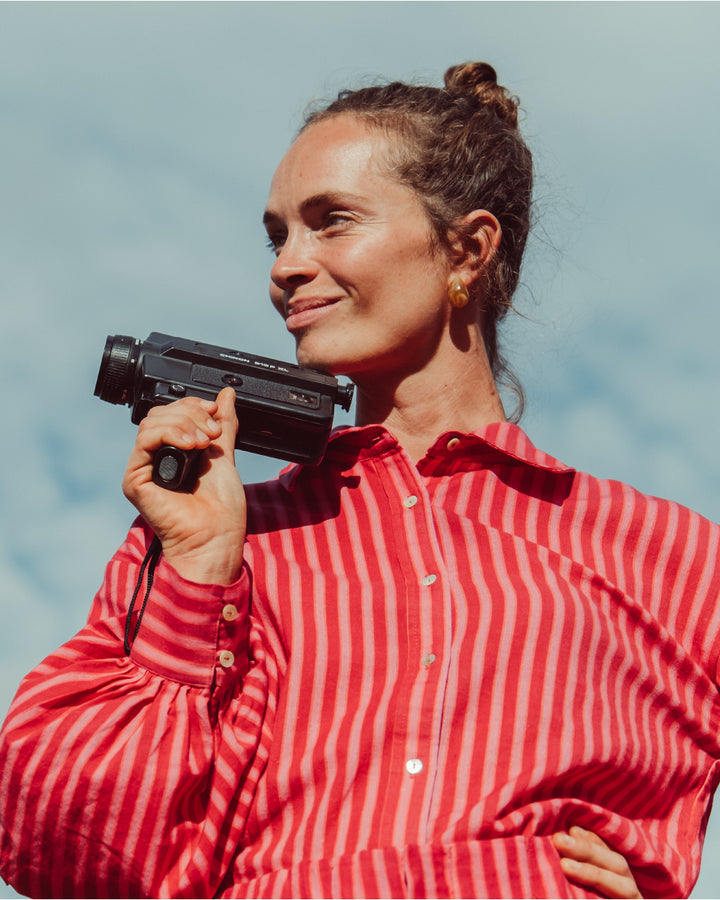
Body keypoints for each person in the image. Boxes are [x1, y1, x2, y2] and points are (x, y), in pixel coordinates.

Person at [0, 61, 716, 899]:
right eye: (278, 237)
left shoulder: (675, 557)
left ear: (468, 247)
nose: (287, 267)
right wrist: (197, 574)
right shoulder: (212, 539)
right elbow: (61, 845)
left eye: (331, 223)